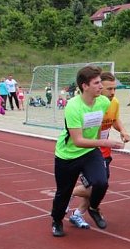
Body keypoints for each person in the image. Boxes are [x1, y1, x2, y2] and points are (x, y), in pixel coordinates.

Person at [49, 65, 124, 237]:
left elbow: (101, 124)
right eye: (96, 83)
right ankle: (57, 220)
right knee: (63, 192)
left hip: (89, 151)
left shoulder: (104, 102)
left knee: (101, 182)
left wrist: (115, 135)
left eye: (100, 83)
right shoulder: (73, 106)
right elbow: (78, 141)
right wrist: (105, 142)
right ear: (85, 86)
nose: (101, 86)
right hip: (67, 154)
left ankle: (93, 208)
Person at [67, 72, 130, 229]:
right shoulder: (86, 106)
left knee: (101, 187)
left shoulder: (113, 102)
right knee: (94, 187)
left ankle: (78, 214)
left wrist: (123, 130)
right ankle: (67, 193)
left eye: (114, 89)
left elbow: (114, 119)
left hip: (105, 152)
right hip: (87, 152)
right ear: (99, 87)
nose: (113, 92)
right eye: (109, 89)